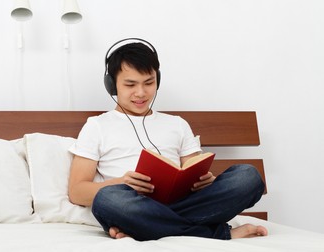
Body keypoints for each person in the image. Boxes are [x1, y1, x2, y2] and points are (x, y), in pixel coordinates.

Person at [68, 38, 268, 241]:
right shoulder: (97, 126)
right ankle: (216, 233)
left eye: (149, 83)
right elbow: (77, 192)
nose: (141, 93)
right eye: (130, 84)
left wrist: (207, 181)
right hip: (131, 206)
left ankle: (148, 228)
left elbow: (194, 168)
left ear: (158, 80)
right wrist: (121, 183)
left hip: (183, 204)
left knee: (248, 176)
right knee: (107, 199)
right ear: (112, 85)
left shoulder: (177, 124)